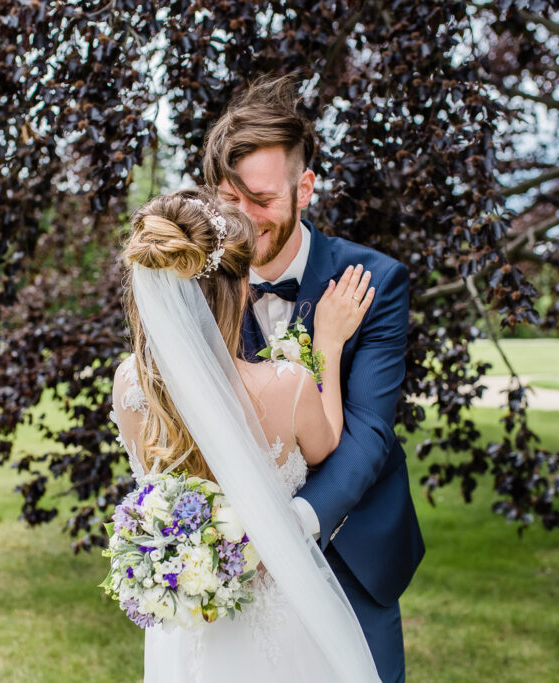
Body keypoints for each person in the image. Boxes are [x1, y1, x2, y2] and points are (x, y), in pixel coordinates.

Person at [203, 75, 426, 682]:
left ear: (305, 188)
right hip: (239, 554)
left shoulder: (374, 279)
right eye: (227, 199)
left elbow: (369, 433)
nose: (242, 219)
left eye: (262, 199)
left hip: (352, 546)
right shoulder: (198, 284)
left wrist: (296, 524)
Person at [110, 188, 381, 682]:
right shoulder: (288, 386)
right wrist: (328, 344)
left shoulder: (129, 384)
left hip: (182, 621)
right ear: (238, 290)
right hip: (275, 617)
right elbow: (327, 445)